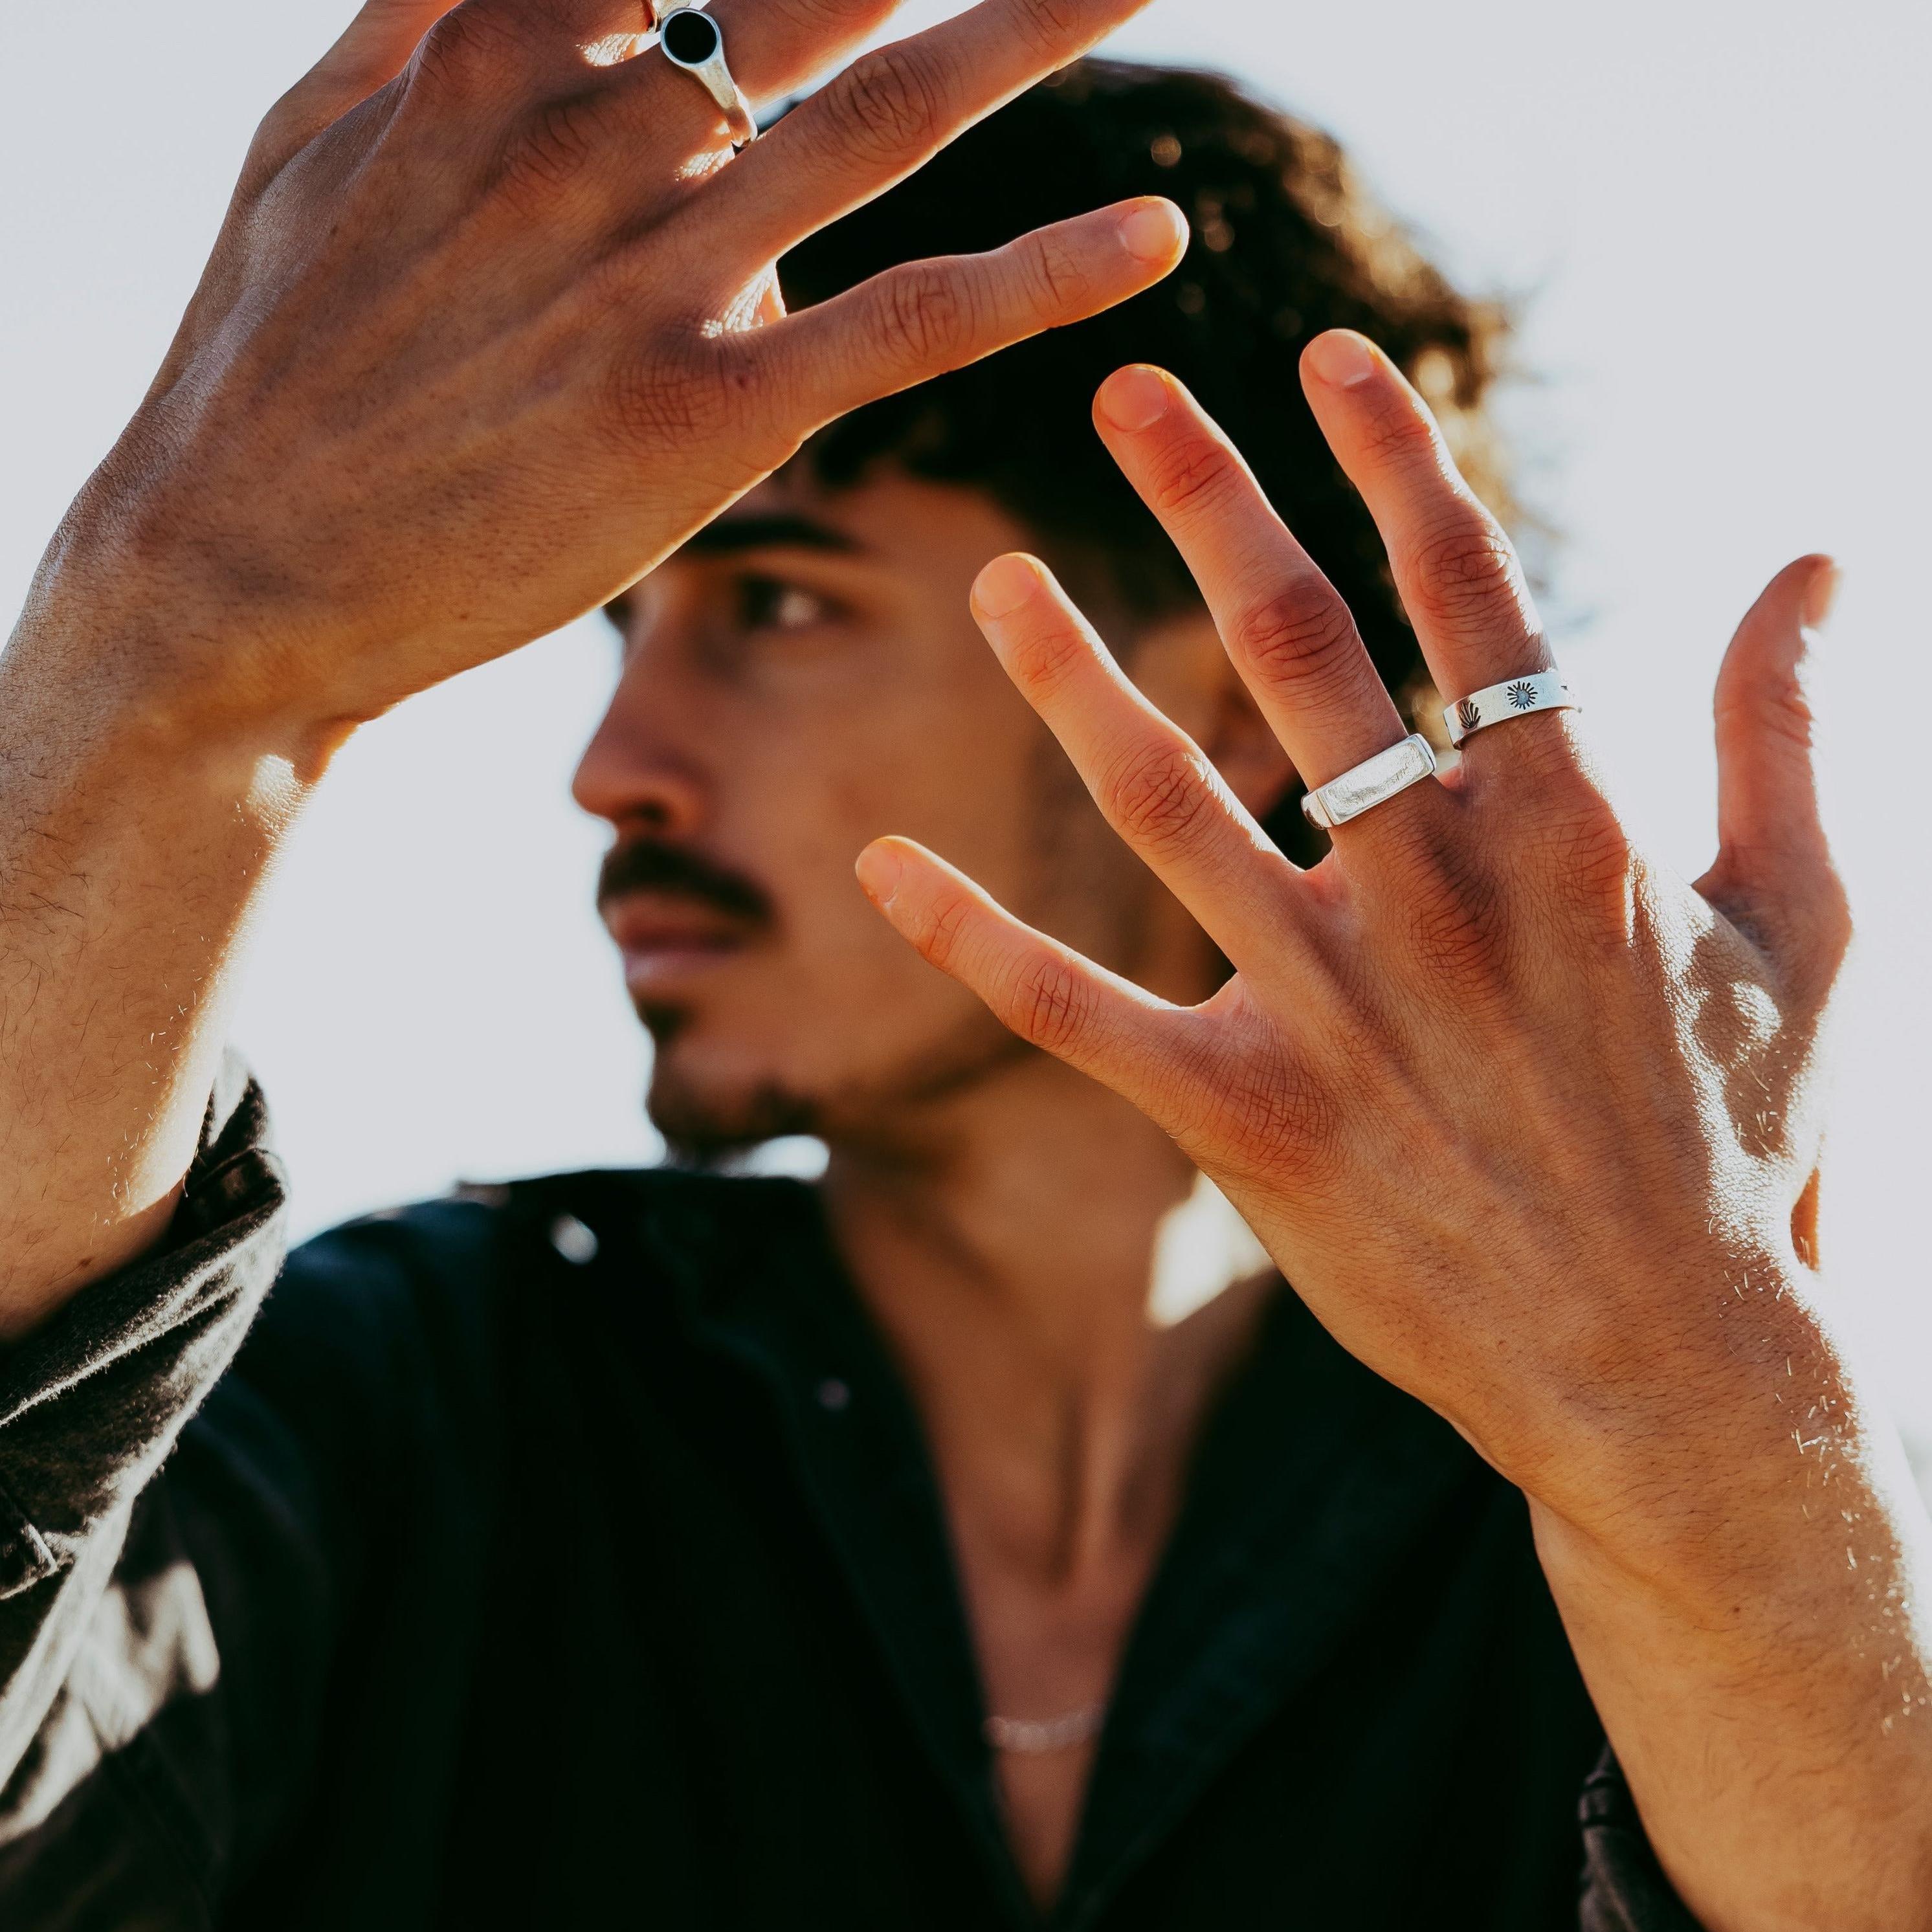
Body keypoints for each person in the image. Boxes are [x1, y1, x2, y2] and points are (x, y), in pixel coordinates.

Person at [0, 2, 1927, 1927]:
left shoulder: (1627, 1509)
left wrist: (1707, 1425)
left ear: (1243, 675)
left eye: (776, 601)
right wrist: (163, 656)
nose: (617, 767)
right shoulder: (435, 1405)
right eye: (619, 628)